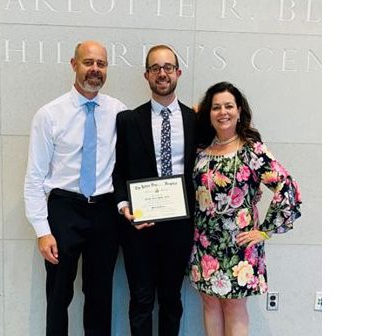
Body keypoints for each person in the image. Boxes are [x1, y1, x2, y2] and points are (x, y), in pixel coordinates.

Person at [23, 40, 127, 336]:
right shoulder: (49, 114)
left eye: (101, 64)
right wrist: (42, 231)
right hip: (64, 209)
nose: (95, 69)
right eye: (88, 62)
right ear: (74, 64)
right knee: (58, 295)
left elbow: (143, 141)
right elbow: (34, 177)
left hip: (105, 212)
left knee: (100, 295)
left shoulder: (119, 111)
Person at [189, 81, 302, 336]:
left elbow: (286, 187)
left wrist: (264, 231)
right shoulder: (201, 150)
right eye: (216, 107)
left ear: (239, 110)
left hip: (239, 244)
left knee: (234, 305)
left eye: (229, 106)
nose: (223, 112)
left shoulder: (253, 150)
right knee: (209, 302)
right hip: (204, 242)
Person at [112, 44, 196, 336]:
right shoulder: (127, 120)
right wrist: (124, 206)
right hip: (139, 225)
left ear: (178, 73)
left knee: (172, 301)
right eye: (156, 68)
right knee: (141, 300)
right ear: (146, 75)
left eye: (168, 68)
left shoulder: (196, 121)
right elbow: (118, 169)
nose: (162, 73)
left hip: (181, 226)